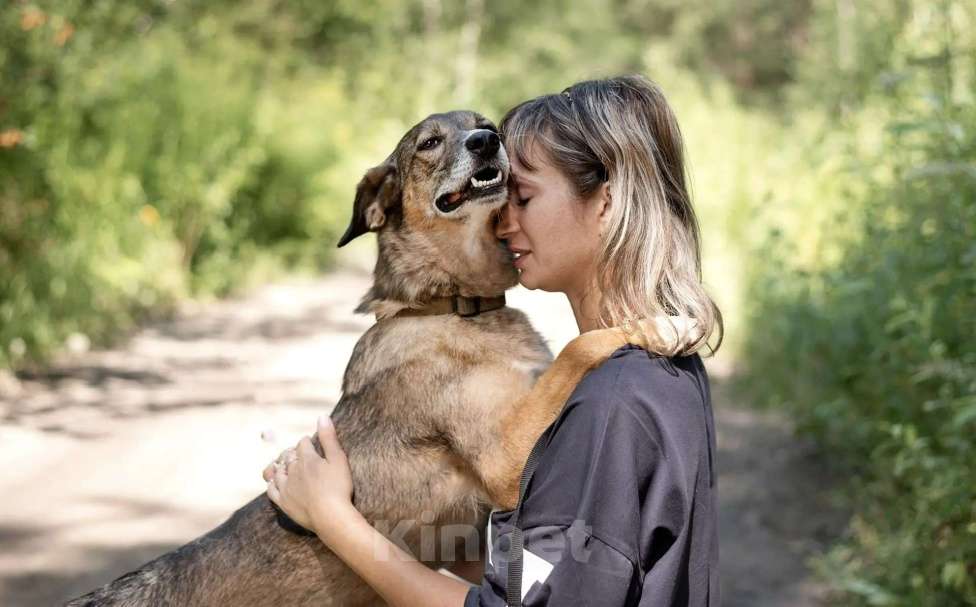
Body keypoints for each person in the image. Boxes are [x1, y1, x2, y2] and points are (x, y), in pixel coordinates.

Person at [264, 75, 723, 607]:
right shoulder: (668, 365)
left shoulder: (610, 397)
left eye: (520, 196)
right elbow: (536, 564)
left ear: (607, 201)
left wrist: (333, 518)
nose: (503, 222)